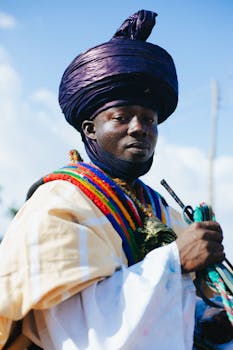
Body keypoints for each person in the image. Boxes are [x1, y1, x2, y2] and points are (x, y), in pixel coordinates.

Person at [0, 9, 232, 350]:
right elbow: (73, 332)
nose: (140, 128)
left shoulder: (163, 209)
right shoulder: (56, 206)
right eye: (122, 117)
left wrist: (209, 317)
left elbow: (181, 316)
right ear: (90, 129)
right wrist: (175, 260)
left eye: (149, 120)